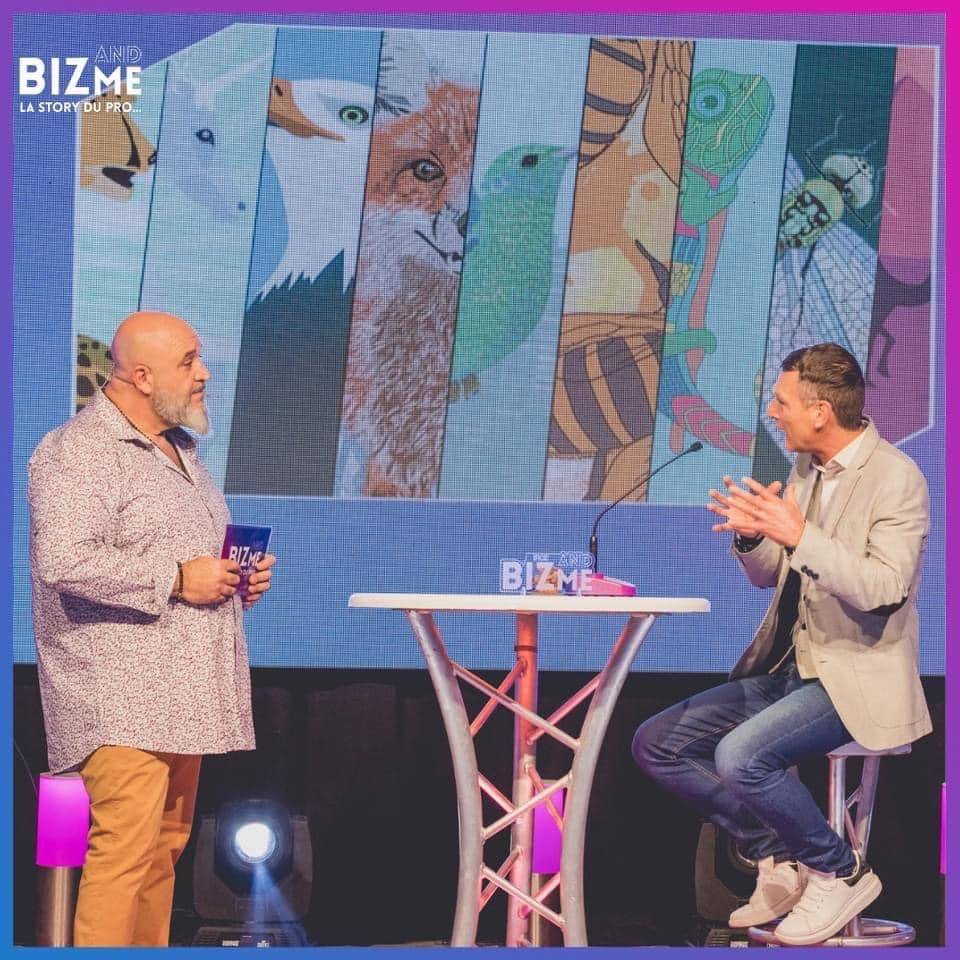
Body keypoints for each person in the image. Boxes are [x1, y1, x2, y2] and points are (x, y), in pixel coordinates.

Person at [631, 342, 931, 946]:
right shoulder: (807, 470)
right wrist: (754, 539)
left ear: (821, 411)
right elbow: (775, 574)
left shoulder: (896, 478)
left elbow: (883, 590)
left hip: (858, 676)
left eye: (782, 401)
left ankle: (838, 869)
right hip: (796, 670)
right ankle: (781, 853)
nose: (772, 412)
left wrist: (798, 535)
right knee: (659, 743)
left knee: (741, 756)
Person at [28, 310, 276, 946]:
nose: (205, 373)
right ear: (140, 376)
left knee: (162, 853)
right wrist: (177, 577)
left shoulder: (181, 450)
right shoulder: (80, 450)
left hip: (181, 697)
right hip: (118, 695)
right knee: (125, 853)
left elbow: (181, 560)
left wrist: (232, 579)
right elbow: (64, 560)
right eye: (189, 361)